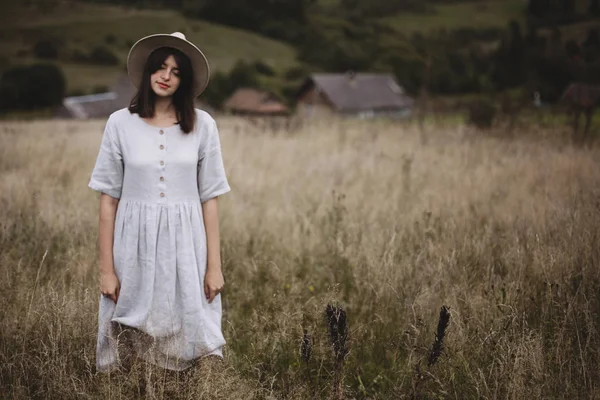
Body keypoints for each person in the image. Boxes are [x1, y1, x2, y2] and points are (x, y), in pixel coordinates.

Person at [88, 32, 231, 373]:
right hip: (132, 240)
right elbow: (108, 201)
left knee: (188, 315)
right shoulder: (119, 124)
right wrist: (107, 271)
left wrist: (214, 266)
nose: (166, 76)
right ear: (149, 71)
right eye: (161, 67)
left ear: (185, 81)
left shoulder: (203, 126)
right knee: (127, 320)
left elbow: (209, 198)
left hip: (186, 240)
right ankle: (131, 384)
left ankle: (181, 383)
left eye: (177, 71)